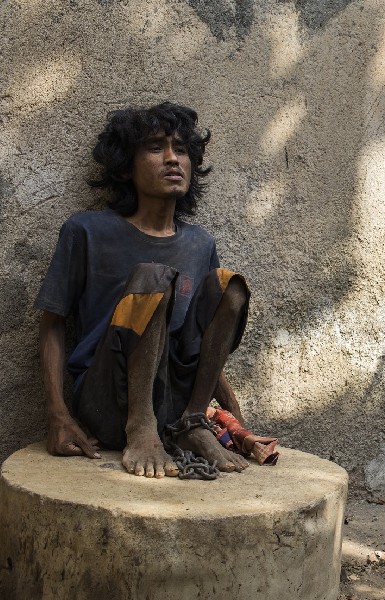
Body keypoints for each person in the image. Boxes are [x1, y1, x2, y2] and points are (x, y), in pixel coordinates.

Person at [36, 101, 251, 478]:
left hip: (175, 403)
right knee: (154, 277)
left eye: (181, 150)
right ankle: (141, 427)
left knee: (230, 287)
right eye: (155, 148)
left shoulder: (200, 243)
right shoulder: (87, 230)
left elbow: (204, 336)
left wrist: (235, 417)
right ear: (126, 167)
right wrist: (58, 415)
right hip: (108, 400)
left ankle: (193, 424)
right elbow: (51, 324)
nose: (172, 159)